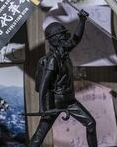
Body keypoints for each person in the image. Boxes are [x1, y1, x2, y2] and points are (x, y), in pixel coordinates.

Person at [29, 9, 97, 147]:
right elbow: (44, 86)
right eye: (64, 36)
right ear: (56, 40)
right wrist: (43, 107)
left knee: (90, 123)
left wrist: (82, 21)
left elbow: (76, 39)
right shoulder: (53, 60)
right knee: (40, 135)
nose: (67, 38)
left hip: (70, 100)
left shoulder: (63, 52)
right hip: (55, 103)